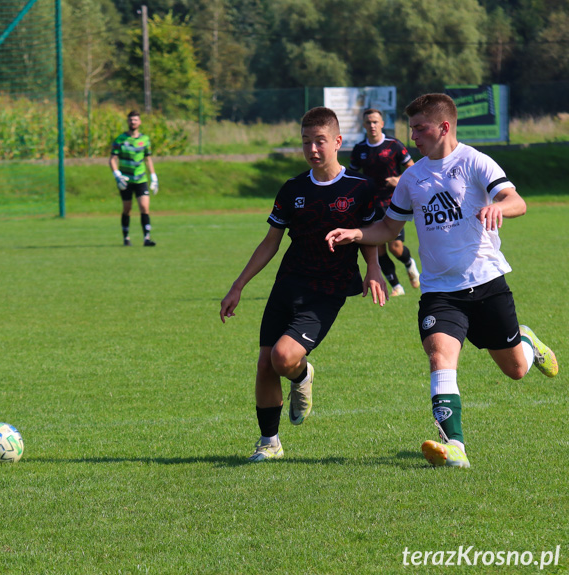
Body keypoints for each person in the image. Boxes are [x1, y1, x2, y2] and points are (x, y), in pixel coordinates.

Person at [326, 93, 558, 469]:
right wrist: (355, 234)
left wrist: (499, 206)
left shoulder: (475, 162)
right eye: (411, 128)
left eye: (420, 128)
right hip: (438, 291)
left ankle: (526, 341)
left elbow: (517, 201)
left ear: (444, 127)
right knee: (439, 358)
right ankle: (455, 447)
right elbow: (389, 227)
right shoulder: (413, 178)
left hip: (486, 283)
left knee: (516, 369)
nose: (413, 136)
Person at [219, 107, 386, 462]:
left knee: (284, 357)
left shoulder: (360, 188)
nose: (312, 148)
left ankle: (303, 373)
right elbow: (270, 242)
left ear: (337, 142)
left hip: (328, 290)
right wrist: (238, 285)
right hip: (288, 284)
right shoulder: (293, 188)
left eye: (320, 141)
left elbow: (371, 234)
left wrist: (373, 268)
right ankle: (269, 443)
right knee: (266, 364)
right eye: (306, 142)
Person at [349, 108, 419, 296]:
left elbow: (413, 169)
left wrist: (399, 180)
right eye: (368, 122)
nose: (372, 125)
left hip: (393, 203)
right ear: (363, 125)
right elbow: (352, 176)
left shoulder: (394, 145)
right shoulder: (359, 150)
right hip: (371, 205)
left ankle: (409, 263)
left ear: (381, 123)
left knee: (395, 248)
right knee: (377, 249)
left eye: (375, 122)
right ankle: (396, 286)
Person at [110, 110, 158, 246]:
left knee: (144, 207)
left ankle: (147, 238)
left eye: (135, 120)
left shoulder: (145, 140)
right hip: (125, 180)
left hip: (141, 179)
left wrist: (153, 176)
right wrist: (117, 175)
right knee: (127, 208)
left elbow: (148, 159)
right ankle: (126, 238)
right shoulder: (120, 139)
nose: (133, 122)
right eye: (131, 120)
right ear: (128, 122)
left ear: (140, 122)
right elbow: (113, 159)